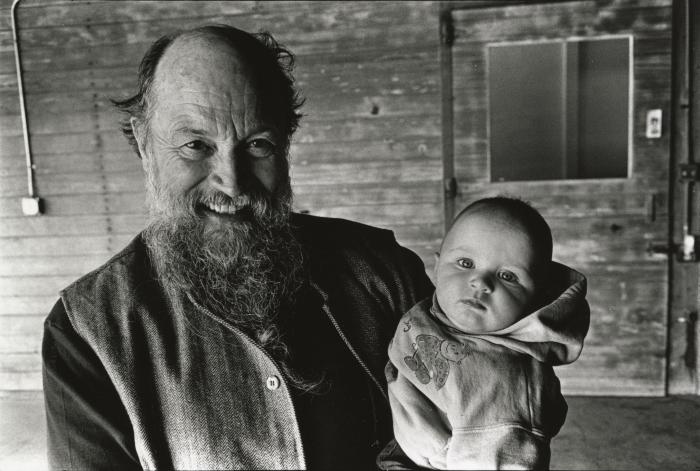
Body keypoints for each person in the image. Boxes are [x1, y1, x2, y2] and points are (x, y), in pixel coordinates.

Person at [41, 24, 434, 470]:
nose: (232, 182)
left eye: (258, 145)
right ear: (146, 145)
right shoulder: (87, 331)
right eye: (196, 145)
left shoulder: (383, 273)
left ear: (285, 145)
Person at [379, 197, 590, 470]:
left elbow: (500, 459)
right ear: (437, 267)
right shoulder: (441, 311)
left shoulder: (502, 384)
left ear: (536, 297)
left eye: (508, 276)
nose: (480, 281)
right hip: (403, 437)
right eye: (466, 263)